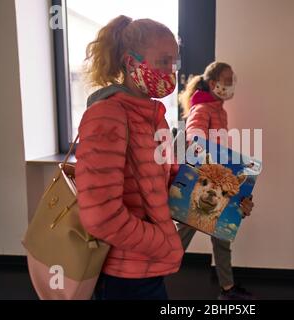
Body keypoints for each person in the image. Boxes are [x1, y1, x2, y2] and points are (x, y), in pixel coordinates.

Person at [75, 15, 184, 300]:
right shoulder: (106, 115)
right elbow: (101, 216)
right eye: (162, 61)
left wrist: (226, 200)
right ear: (131, 62)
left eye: (174, 62)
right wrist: (162, 242)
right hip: (123, 274)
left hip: (148, 267)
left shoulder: (154, 116)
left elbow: (165, 184)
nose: (171, 71)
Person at [178, 62, 255, 300]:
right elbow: (194, 139)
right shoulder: (202, 109)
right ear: (213, 84)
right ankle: (150, 277)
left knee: (222, 235)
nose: (231, 84)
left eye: (233, 79)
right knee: (180, 238)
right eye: (227, 79)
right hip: (203, 183)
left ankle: (227, 289)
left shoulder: (219, 109)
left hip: (218, 180)